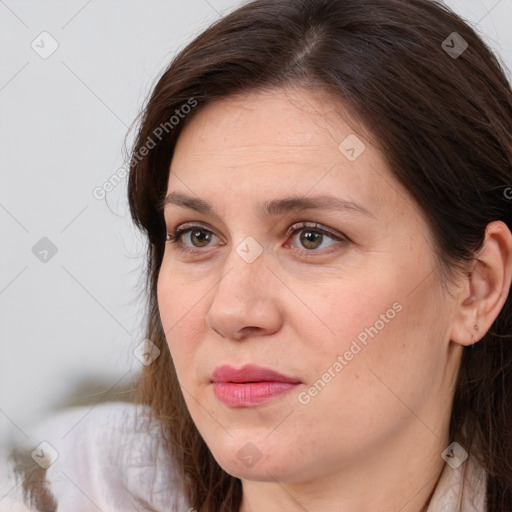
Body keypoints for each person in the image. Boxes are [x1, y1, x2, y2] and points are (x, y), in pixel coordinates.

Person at [2, 0, 512, 510]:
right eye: (198, 236)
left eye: (312, 237)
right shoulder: (64, 490)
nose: (231, 311)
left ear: (477, 286)